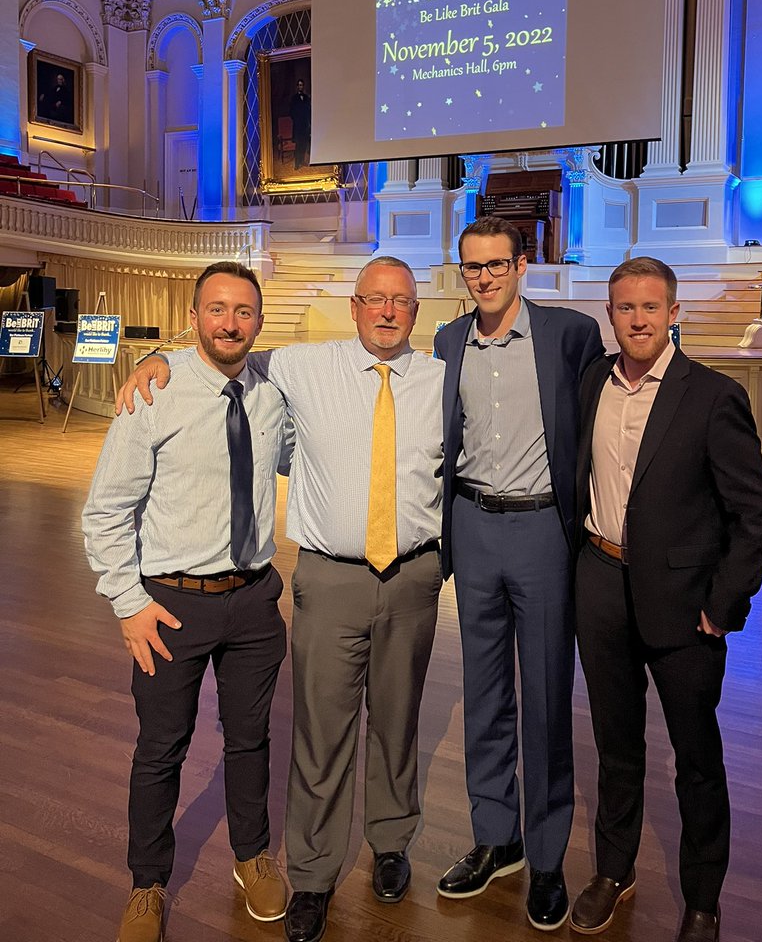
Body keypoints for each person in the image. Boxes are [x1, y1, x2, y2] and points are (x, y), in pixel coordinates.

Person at [117, 256, 444, 942]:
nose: (387, 312)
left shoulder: (444, 381)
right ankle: (316, 873)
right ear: (354, 307)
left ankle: (390, 843)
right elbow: (225, 345)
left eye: (401, 302)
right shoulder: (302, 367)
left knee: (398, 720)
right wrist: (156, 357)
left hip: (414, 575)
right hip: (329, 576)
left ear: (417, 312)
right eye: (374, 299)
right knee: (321, 734)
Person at [83, 261, 294, 942]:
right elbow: (107, 510)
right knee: (160, 748)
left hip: (256, 602)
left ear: (259, 321)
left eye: (243, 312)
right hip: (172, 604)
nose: (230, 323)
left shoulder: (271, 395)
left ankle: (251, 856)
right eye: (216, 310)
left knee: (251, 739)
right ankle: (147, 884)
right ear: (195, 316)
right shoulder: (156, 394)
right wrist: (126, 601)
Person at [571, 257, 762, 942]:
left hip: (687, 606)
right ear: (610, 313)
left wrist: (723, 604)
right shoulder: (590, 382)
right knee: (616, 746)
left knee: (696, 758)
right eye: (625, 308)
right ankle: (613, 871)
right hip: (600, 586)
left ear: (674, 313)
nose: (637, 319)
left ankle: (702, 901)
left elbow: (753, 513)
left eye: (651, 308)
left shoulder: (712, 395)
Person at [433, 216, 604, 932]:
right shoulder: (447, 341)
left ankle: (544, 856)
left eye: (497, 264)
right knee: (485, 693)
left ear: (523, 264)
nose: (485, 277)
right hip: (472, 523)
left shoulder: (570, 334)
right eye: (472, 266)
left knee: (544, 696)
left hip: (542, 529)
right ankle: (495, 837)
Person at [290, 78, 312, 169]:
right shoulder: (294, 98)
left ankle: (302, 161)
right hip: (298, 126)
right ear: (297, 87)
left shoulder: (306, 98)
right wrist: (297, 120)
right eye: (299, 85)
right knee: (298, 145)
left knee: (304, 144)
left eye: (302, 85)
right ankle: (297, 163)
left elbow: (308, 111)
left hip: (305, 125)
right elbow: (291, 112)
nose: (300, 87)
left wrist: (308, 123)